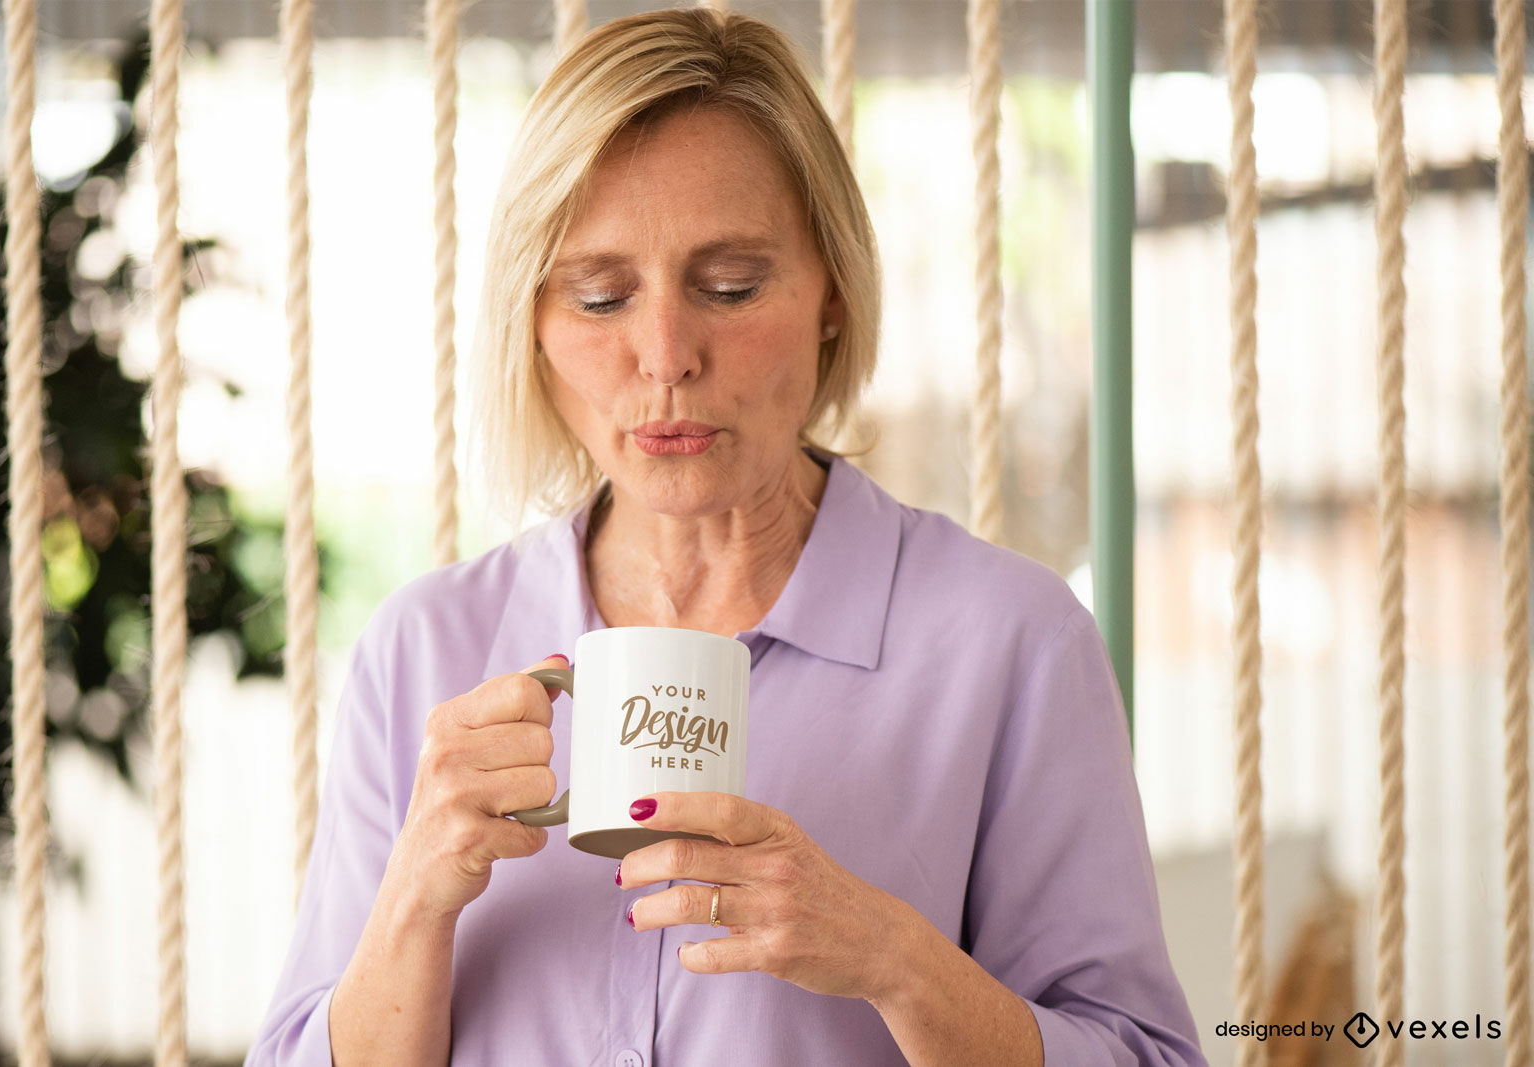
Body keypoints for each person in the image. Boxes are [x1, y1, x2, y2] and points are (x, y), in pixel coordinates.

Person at [247, 8, 1205, 1065]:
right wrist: (413, 905)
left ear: (831, 292)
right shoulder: (423, 648)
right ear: (532, 321)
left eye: (730, 285)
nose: (664, 354)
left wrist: (893, 956)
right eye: (601, 294)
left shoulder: (1010, 644)